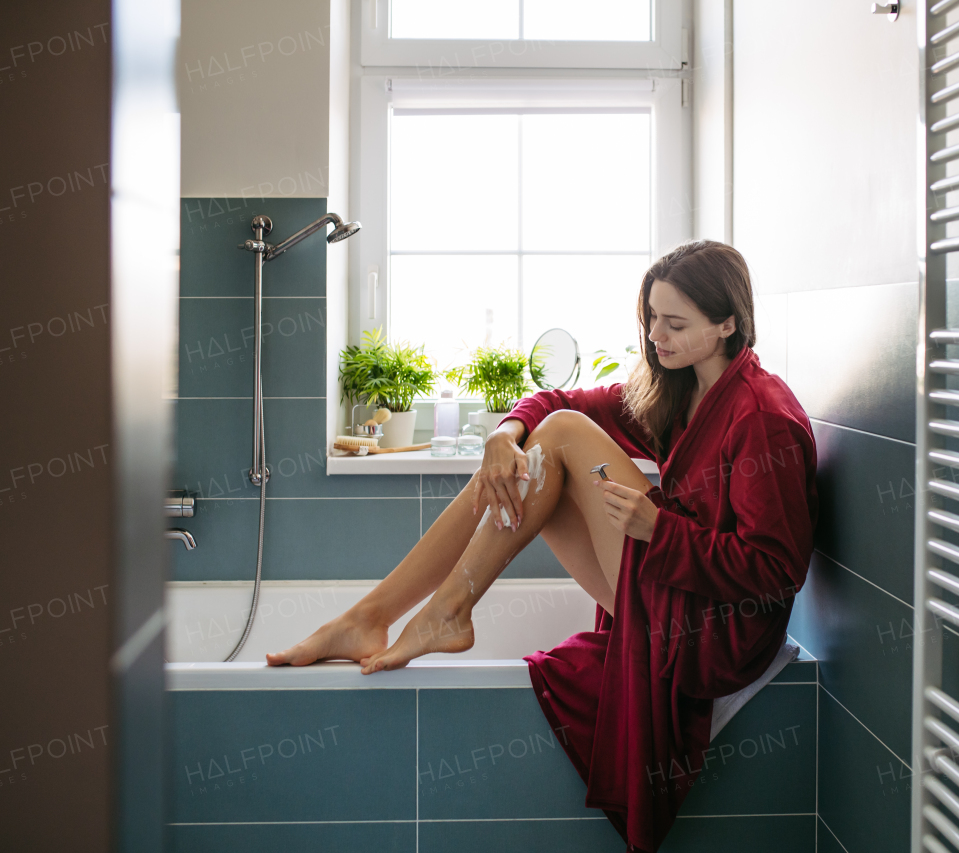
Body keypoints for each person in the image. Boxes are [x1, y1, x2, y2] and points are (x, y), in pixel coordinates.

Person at [268, 240, 818, 852]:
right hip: (673, 593)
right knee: (529, 455)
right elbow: (557, 401)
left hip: (717, 633)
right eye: (651, 318)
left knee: (556, 438)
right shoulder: (680, 390)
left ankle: (442, 612)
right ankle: (371, 617)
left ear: (728, 324)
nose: (656, 336)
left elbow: (776, 572)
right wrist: (504, 433)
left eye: (675, 322)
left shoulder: (762, 415)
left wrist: (661, 531)